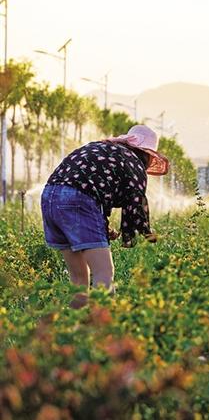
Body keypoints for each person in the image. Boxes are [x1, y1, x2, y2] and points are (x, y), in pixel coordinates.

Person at [41, 125, 170, 308]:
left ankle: (69, 329)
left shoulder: (104, 149)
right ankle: (104, 330)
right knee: (104, 273)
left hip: (49, 197)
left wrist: (103, 227)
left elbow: (96, 189)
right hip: (78, 200)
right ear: (148, 154)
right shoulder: (133, 162)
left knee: (79, 279)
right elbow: (136, 203)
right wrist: (148, 234)